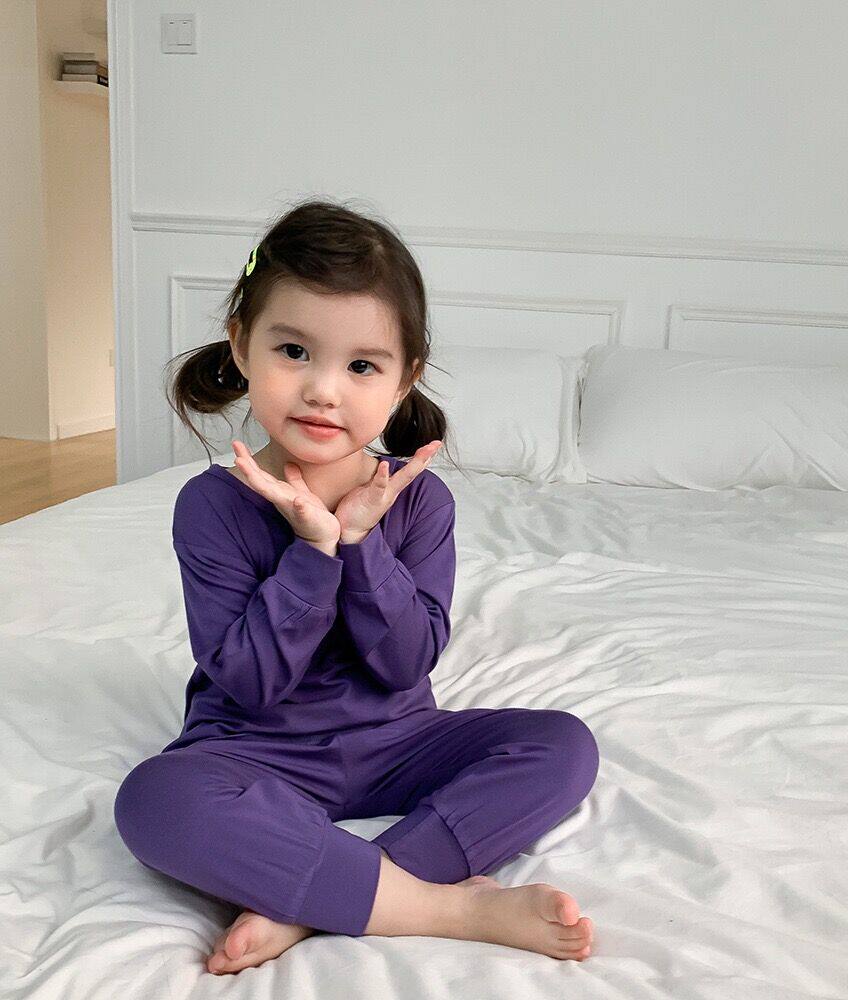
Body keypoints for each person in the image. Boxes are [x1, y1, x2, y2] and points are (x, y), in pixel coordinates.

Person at [112, 199, 600, 974]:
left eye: (362, 366)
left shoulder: (419, 502)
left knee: (563, 746)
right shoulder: (210, 506)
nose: (323, 390)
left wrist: (362, 542)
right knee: (154, 801)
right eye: (294, 351)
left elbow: (406, 665)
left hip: (397, 743)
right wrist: (313, 550)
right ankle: (446, 907)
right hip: (257, 752)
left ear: (405, 380)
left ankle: (315, 900)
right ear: (241, 345)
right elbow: (251, 684)